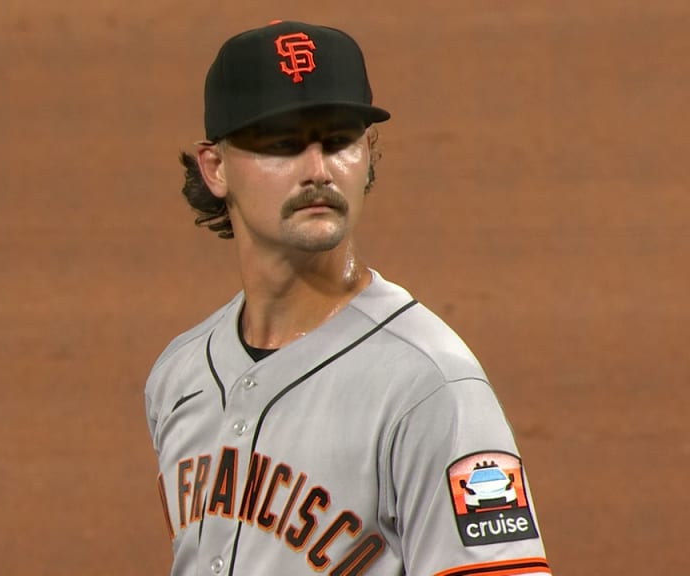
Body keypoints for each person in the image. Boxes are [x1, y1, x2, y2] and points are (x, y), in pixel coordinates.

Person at [143, 20, 551, 576]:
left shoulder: (428, 385)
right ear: (215, 167)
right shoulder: (179, 375)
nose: (318, 171)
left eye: (339, 142)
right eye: (282, 145)